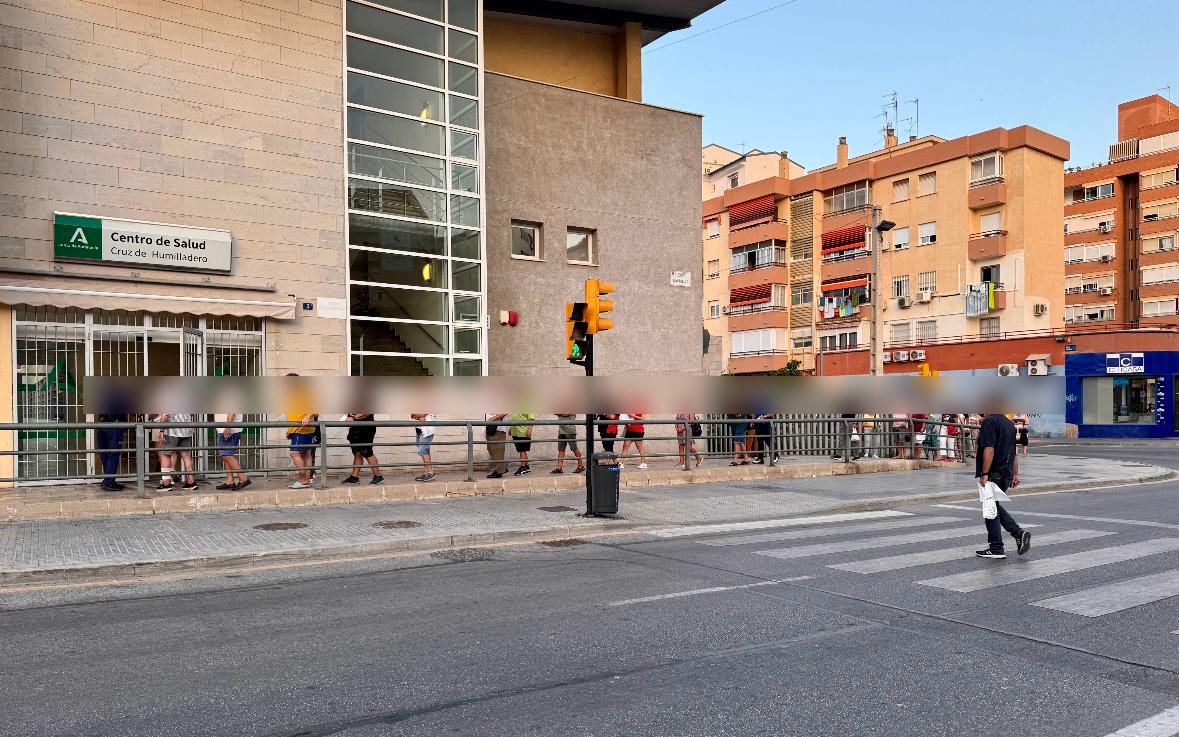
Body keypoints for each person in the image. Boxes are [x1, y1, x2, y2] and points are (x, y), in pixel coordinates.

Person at [975, 412, 1031, 560]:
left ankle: (997, 547)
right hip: (1005, 473)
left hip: (994, 472)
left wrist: (985, 473)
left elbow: (989, 449)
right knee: (993, 505)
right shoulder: (1009, 424)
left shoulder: (989, 422)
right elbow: (1013, 452)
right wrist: (1015, 474)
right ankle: (1017, 534)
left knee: (990, 509)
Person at [158, 413, 197, 491]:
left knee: (165, 455)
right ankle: (191, 482)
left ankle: (166, 483)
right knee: (186, 455)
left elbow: (165, 415)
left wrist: (161, 430)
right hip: (186, 430)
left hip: (172, 431)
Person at [343, 413, 384, 485]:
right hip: (355, 426)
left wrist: (354, 417)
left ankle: (378, 476)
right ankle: (354, 477)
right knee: (357, 452)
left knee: (367, 452)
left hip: (365, 426)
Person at [214, 412, 250, 491]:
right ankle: (230, 481)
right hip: (228, 429)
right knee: (225, 455)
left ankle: (243, 478)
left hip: (229, 430)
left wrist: (227, 427)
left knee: (227, 455)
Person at [286, 409, 318, 489]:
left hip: (302, 429)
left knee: (294, 452)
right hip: (300, 428)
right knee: (306, 453)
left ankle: (303, 480)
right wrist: (290, 429)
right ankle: (306, 480)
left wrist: (308, 417)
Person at [96, 413, 126, 491]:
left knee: (105, 454)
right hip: (114, 424)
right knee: (114, 454)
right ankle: (108, 482)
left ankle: (109, 481)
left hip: (101, 423)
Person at [509, 411, 535, 475]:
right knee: (522, 450)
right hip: (516, 432)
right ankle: (526, 466)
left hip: (523, 432)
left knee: (522, 450)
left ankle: (522, 467)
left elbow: (531, 419)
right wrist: (511, 428)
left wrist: (530, 430)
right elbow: (514, 418)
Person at [412, 413, 435, 482]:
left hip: (427, 429)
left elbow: (421, 413)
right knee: (425, 451)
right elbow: (413, 415)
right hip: (419, 428)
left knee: (422, 450)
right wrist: (419, 417)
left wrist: (418, 415)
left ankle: (431, 473)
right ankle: (426, 473)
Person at [485, 413, 509, 478]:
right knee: (490, 449)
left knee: (497, 451)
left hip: (497, 429)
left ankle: (499, 472)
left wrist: (493, 419)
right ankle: (502, 468)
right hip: (490, 428)